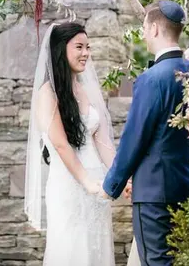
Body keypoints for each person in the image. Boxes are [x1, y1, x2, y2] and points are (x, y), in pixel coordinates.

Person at [102, 1, 189, 266]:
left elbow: (135, 137)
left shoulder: (152, 78)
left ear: (154, 28)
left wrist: (112, 185)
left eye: (144, 27)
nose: (143, 34)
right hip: (188, 185)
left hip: (155, 194)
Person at [24, 22, 121, 266]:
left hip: (97, 185)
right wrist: (87, 183)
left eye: (88, 47)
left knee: (96, 250)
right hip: (69, 185)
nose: (86, 53)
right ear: (60, 50)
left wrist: (120, 176)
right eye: (79, 47)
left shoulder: (85, 90)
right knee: (72, 250)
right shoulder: (48, 93)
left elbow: (102, 141)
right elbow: (60, 145)